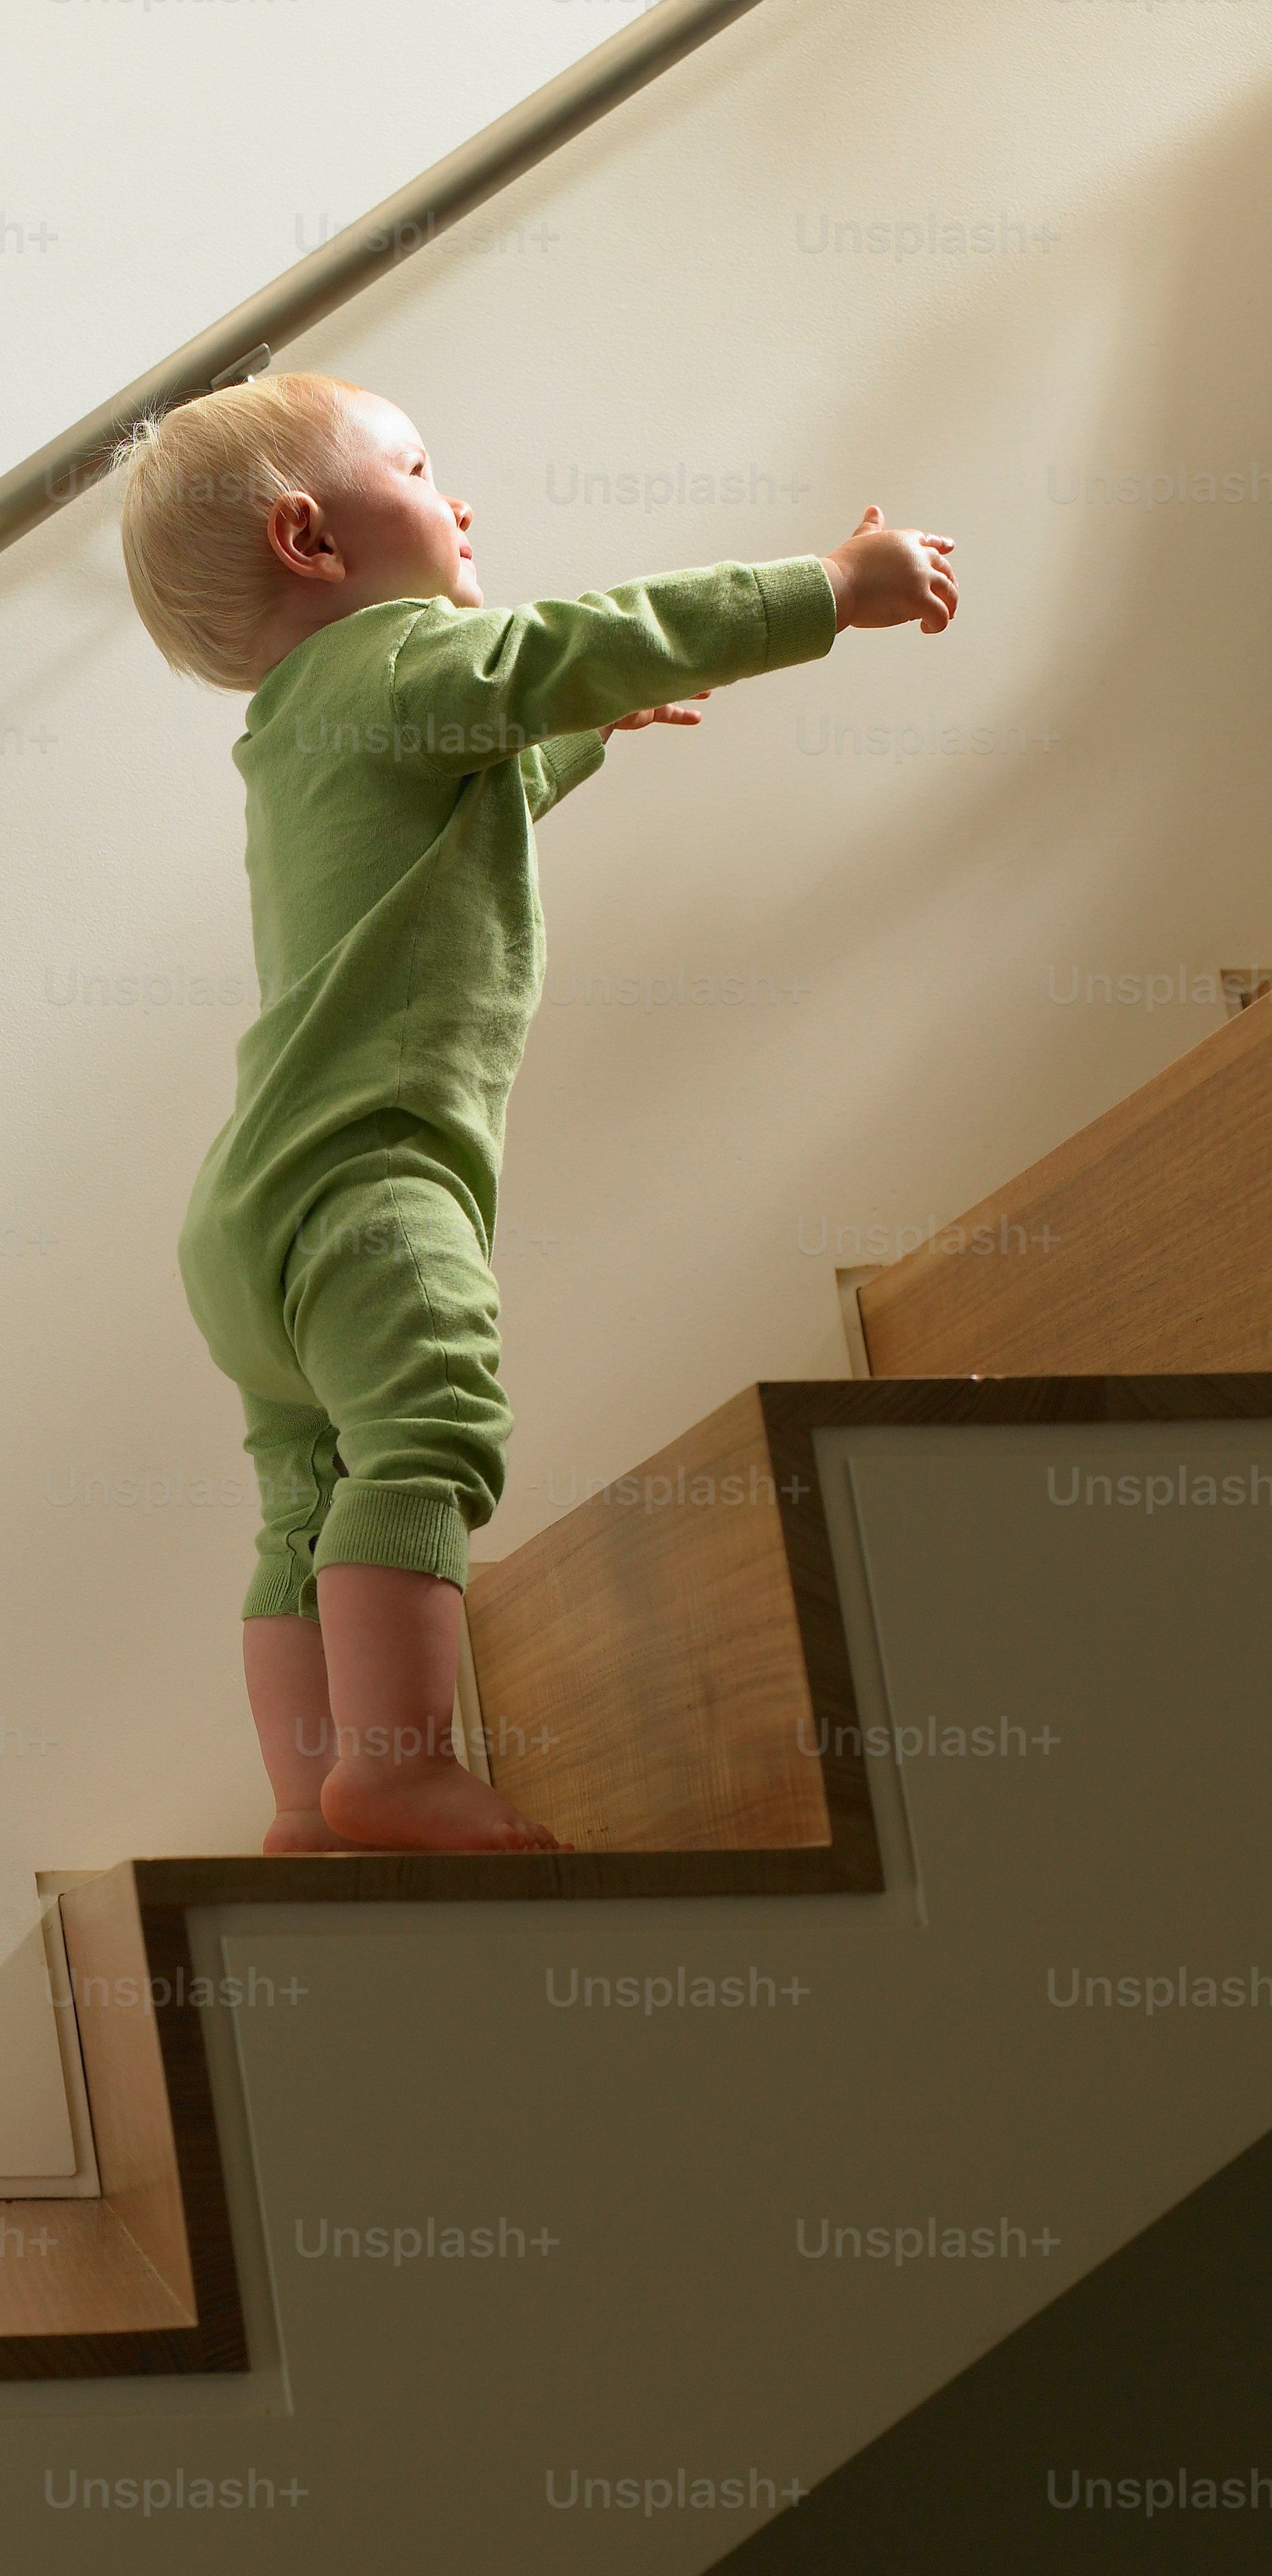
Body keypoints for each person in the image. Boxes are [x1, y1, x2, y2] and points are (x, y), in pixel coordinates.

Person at [115, 373, 956, 1852]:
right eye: (423, 467)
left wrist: (581, 735)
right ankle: (394, 1764)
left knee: (304, 1501)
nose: (459, 500)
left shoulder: (306, 729)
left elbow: (456, 804)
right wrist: (824, 590)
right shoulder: (394, 657)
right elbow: (571, 645)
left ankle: (304, 1799)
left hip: (252, 1215)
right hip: (370, 1182)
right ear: (310, 540)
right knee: (428, 1432)